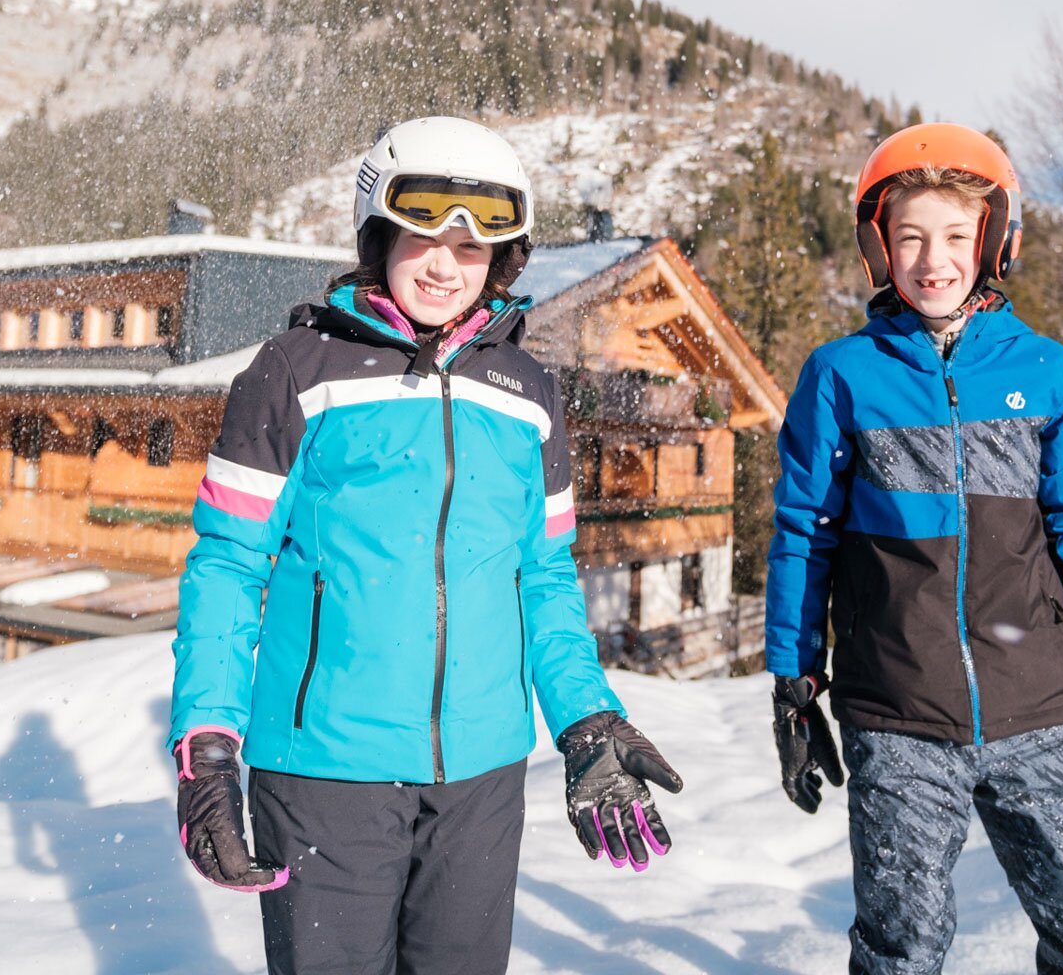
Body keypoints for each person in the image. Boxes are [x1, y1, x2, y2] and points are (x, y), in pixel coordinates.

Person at [168, 116, 682, 975]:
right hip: (325, 769)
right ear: (378, 235)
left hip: (481, 776)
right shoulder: (296, 370)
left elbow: (544, 576)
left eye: (473, 246)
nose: (446, 265)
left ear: (505, 258)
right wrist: (206, 743)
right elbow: (227, 565)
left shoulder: (529, 391)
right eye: (423, 237)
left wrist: (586, 718)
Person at [765, 123, 1063, 974]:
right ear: (877, 247)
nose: (934, 259)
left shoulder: (1047, 371)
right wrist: (793, 680)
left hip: (1038, 711)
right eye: (911, 236)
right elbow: (803, 534)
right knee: (903, 947)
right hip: (897, 717)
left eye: (958, 235)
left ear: (995, 241)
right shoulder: (842, 375)